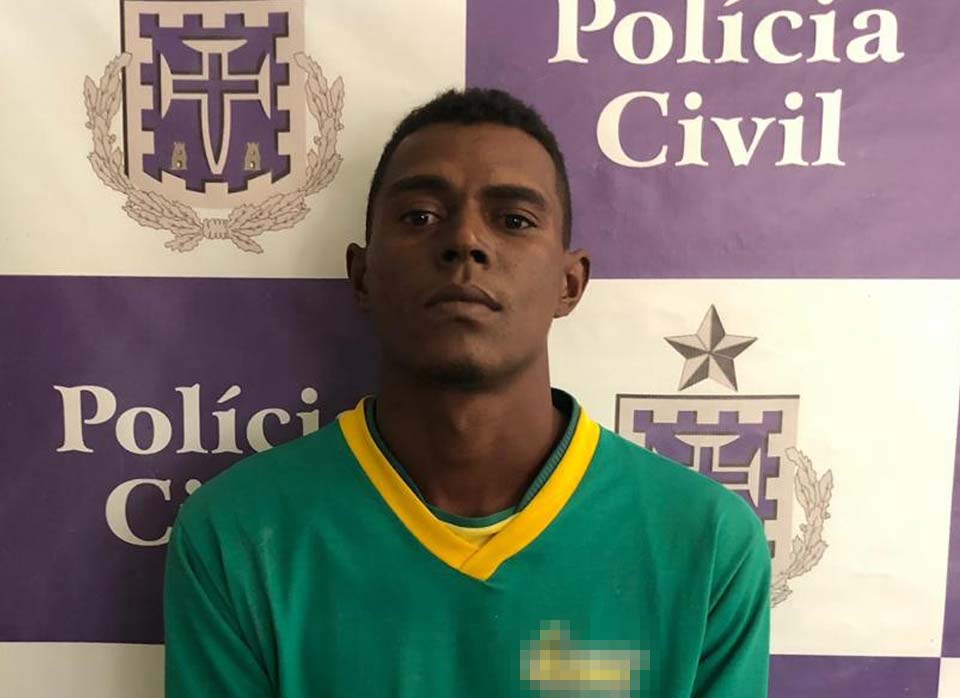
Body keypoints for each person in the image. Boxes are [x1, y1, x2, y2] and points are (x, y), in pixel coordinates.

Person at [163, 88, 770, 697]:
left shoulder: (705, 543)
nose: (466, 241)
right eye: (420, 216)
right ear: (363, 276)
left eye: (514, 220)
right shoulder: (238, 534)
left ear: (569, 283)